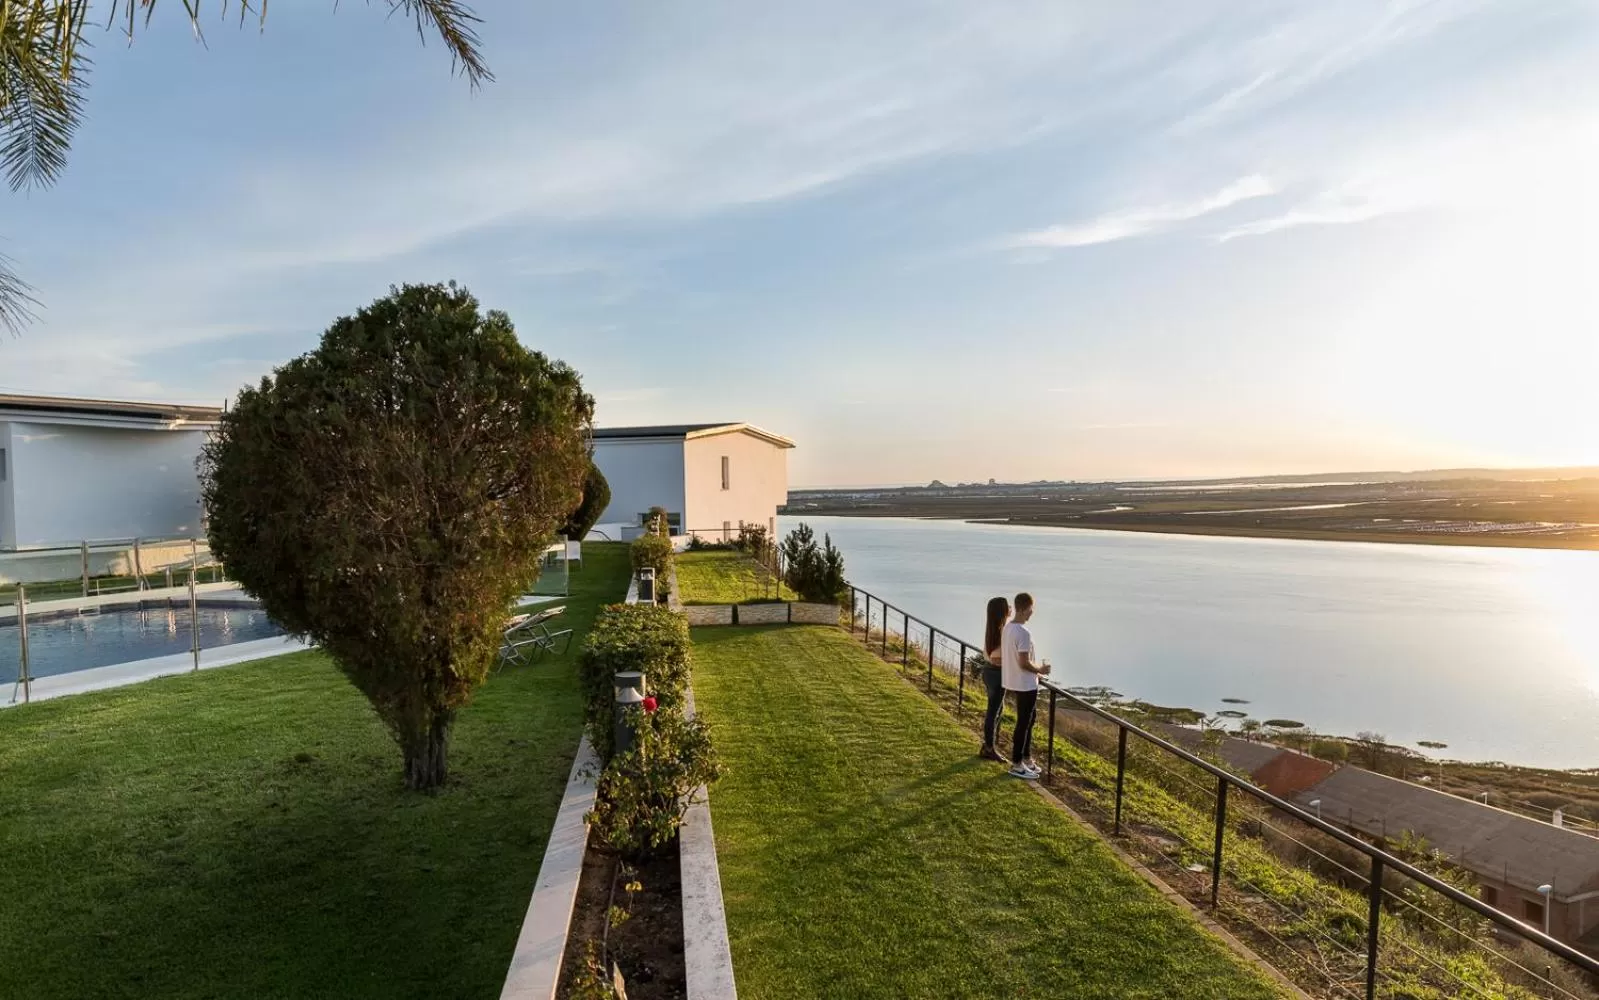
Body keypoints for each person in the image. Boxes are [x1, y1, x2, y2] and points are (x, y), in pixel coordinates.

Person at [1001, 592, 1050, 779]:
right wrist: (1041, 669)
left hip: (1014, 680)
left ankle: (1026, 758)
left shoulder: (1008, 629)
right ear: (1022, 609)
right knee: (1023, 723)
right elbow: (1023, 662)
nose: (1032, 613)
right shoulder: (1023, 632)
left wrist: (1036, 672)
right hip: (1025, 684)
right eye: (1030, 609)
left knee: (1029, 720)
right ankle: (1017, 762)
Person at [979, 596, 1010, 761]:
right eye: (1008, 606)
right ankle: (989, 748)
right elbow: (996, 657)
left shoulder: (992, 629)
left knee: (997, 710)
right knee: (994, 711)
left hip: (989, 672)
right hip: (997, 674)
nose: (1011, 608)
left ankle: (988, 745)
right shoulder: (1001, 631)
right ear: (1002, 611)